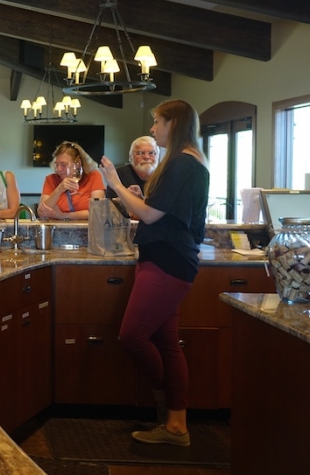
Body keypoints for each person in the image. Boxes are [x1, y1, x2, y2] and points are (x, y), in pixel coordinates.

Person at [100, 100, 209, 447]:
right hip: (173, 259)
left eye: (157, 122)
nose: (152, 128)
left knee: (132, 337)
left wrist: (116, 184)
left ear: (173, 124)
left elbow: (149, 217)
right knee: (167, 343)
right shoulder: (190, 161)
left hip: (166, 262)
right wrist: (142, 194)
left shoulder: (179, 163)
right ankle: (176, 425)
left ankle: (164, 398)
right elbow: (164, 210)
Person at [38, 141, 105, 220]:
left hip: (88, 230)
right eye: (57, 164)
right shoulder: (51, 179)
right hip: (58, 230)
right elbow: (42, 214)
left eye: (63, 165)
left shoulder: (93, 176)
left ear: (78, 164)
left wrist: (63, 215)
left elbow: (97, 212)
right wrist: (59, 190)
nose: (59, 169)